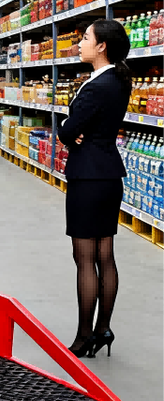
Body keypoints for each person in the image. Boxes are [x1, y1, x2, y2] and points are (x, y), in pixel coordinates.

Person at [57, 19, 131, 358]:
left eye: (86, 38)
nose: (80, 43)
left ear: (101, 46)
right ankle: (103, 328)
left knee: (84, 258)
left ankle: (84, 336)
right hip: (109, 175)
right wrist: (75, 130)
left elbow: (68, 130)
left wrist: (68, 129)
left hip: (87, 177)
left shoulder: (96, 86)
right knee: (105, 255)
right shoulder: (117, 81)